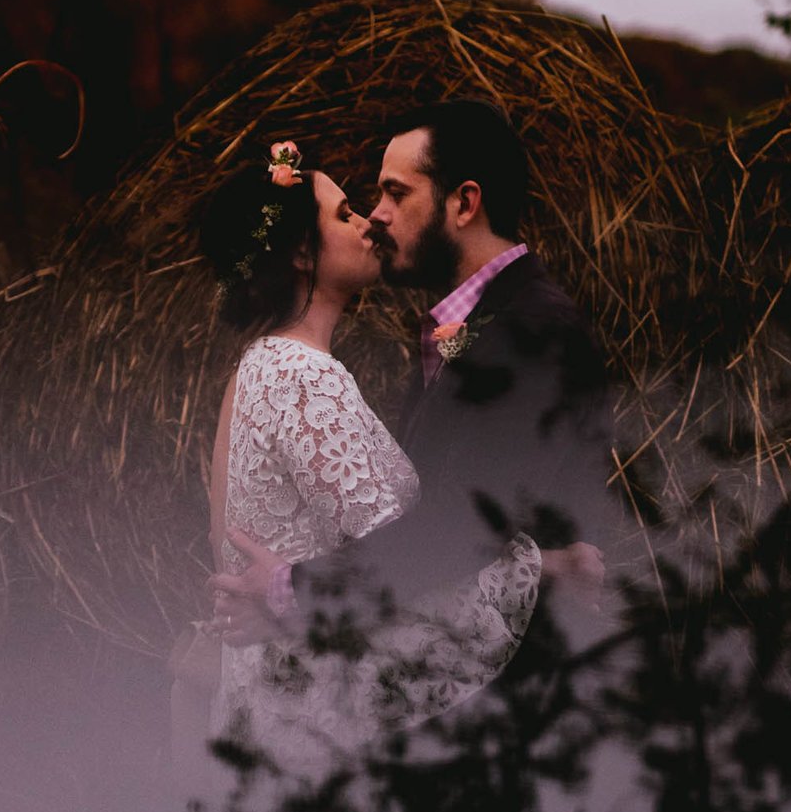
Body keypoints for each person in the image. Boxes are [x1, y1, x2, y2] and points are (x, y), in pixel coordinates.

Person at [170, 135, 594, 772]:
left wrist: (282, 606)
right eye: (344, 214)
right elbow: (408, 582)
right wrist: (547, 569)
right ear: (301, 256)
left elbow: (250, 552)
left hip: (278, 719)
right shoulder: (305, 379)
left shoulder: (258, 368)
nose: (370, 220)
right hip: (329, 744)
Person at [209, 102, 617, 674]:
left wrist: (287, 592)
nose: (375, 217)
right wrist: (549, 567)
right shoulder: (450, 330)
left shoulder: (533, 330)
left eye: (395, 194)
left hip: (523, 690)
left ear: (464, 203)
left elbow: (453, 530)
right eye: (365, 202)